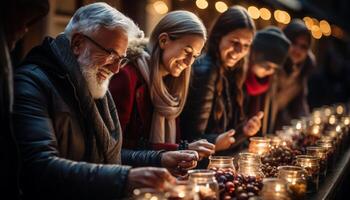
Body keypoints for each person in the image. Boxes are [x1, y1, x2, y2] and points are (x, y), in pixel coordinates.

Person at [12, 3, 198, 199]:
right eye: (111, 54)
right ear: (77, 44)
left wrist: (160, 158)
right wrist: (125, 177)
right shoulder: (31, 83)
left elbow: (111, 158)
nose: (117, 69)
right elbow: (40, 167)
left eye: (122, 59)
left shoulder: (93, 84)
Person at [109, 11, 215, 159]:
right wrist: (181, 149)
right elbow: (115, 147)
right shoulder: (127, 76)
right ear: (164, 40)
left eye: (195, 56)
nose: (189, 62)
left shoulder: (173, 84)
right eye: (187, 51)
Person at [180, 6, 262, 154]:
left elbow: (224, 139)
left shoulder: (233, 71)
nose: (239, 51)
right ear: (218, 37)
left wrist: (244, 130)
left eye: (246, 45)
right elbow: (192, 138)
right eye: (234, 42)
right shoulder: (206, 70)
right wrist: (216, 141)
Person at [0, 0, 49, 199]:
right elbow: (40, 161)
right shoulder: (32, 80)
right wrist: (126, 176)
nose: (25, 30)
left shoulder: (97, 84)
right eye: (21, 20)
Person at [244, 26, 291, 135]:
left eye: (275, 68)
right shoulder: (239, 78)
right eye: (266, 64)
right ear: (254, 56)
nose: (270, 70)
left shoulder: (268, 83)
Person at [271, 19, 316, 130]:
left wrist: (307, 126)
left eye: (303, 46)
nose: (297, 50)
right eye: (294, 43)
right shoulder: (271, 64)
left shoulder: (302, 72)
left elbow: (299, 106)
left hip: (277, 131)